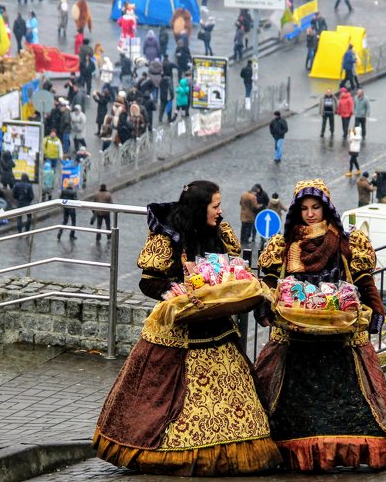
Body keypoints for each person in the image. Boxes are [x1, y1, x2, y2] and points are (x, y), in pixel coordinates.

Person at [93, 181, 282, 476]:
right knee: (164, 400)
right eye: (215, 206)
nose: (220, 212)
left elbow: (238, 271)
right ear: (198, 208)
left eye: (220, 206)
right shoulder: (168, 236)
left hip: (217, 325)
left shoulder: (220, 233)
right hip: (178, 332)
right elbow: (149, 281)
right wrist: (176, 290)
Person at [254, 179, 386, 471]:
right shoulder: (283, 245)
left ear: (326, 208)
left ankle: (345, 451)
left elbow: (364, 282)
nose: (310, 214)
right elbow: (269, 284)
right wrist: (265, 306)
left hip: (338, 334)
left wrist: (374, 310)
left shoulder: (347, 242)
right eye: (304, 208)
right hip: (295, 337)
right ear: (295, 211)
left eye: (315, 207)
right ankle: (297, 452)